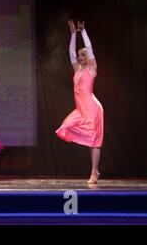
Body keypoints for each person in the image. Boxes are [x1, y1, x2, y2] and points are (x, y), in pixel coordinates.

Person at [56, 20, 104, 184]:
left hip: (92, 109)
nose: (80, 57)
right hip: (80, 109)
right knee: (66, 125)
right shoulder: (78, 69)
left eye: (83, 55)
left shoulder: (92, 68)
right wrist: (73, 34)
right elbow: (70, 52)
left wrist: (83, 32)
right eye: (79, 55)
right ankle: (95, 170)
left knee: (95, 141)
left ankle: (93, 172)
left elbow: (89, 50)